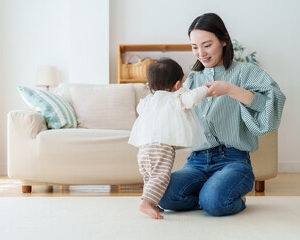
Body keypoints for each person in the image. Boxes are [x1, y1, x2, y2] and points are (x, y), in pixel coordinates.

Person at [158, 13, 286, 216]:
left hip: (234, 160)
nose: (201, 53)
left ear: (223, 41)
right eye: (194, 47)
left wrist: (230, 90)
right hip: (196, 161)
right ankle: (210, 195)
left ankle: (218, 196)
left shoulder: (245, 72)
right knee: (161, 194)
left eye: (207, 45)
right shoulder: (192, 79)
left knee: (215, 203)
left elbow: (272, 103)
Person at [128, 58, 208, 219]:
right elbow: (191, 99)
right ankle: (146, 202)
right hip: (161, 147)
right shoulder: (176, 97)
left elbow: (140, 109)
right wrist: (205, 89)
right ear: (178, 84)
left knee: (150, 176)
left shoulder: (148, 100)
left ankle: (152, 201)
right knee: (161, 176)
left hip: (144, 147)